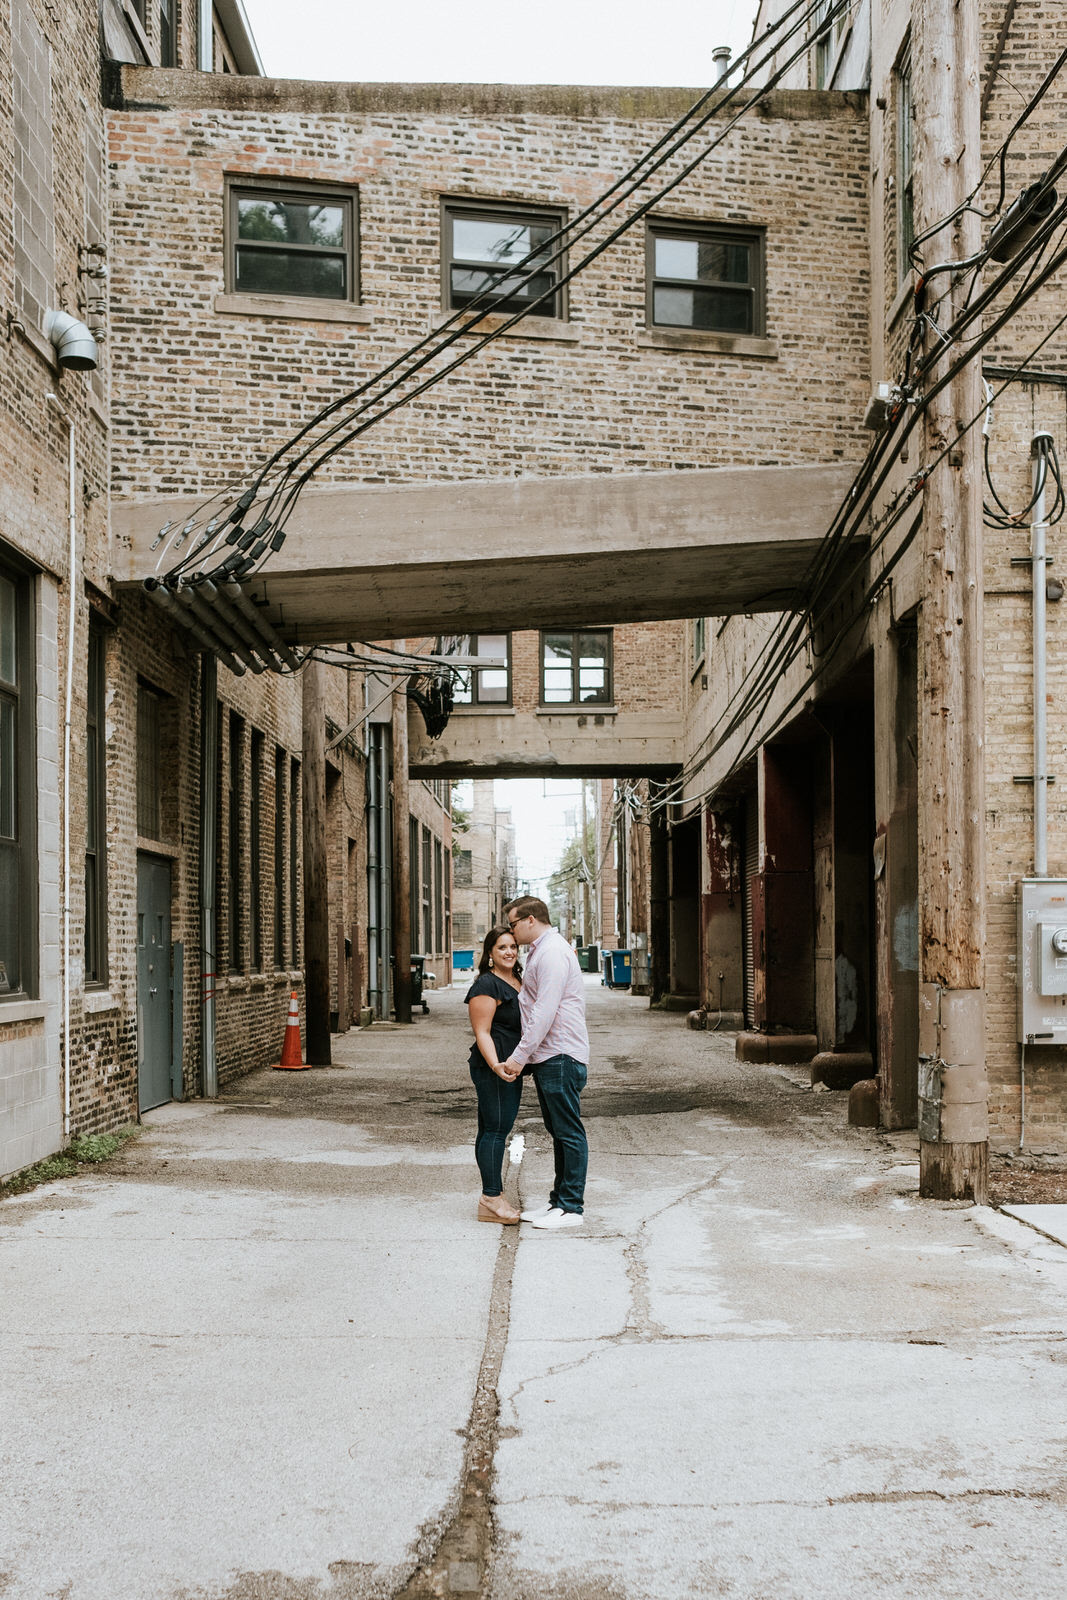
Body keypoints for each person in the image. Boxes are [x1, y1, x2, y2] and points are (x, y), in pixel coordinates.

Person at [498, 895, 589, 1230]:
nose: (511, 931)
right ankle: (558, 1204)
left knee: (568, 1131)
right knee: (558, 1130)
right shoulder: (542, 950)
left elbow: (544, 1012)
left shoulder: (551, 953)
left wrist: (519, 1058)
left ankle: (572, 1208)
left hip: (561, 1054)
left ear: (531, 920)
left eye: (514, 924)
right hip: (551, 1055)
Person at [465, 926, 525, 1224]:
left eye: (513, 945)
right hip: (496, 1067)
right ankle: (491, 1198)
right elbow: (482, 1033)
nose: (510, 951)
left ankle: (492, 1196)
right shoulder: (486, 985)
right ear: (490, 953)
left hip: (510, 1064)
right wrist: (496, 1066)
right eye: (502, 947)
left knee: (491, 1128)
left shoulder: (516, 980)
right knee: (496, 1130)